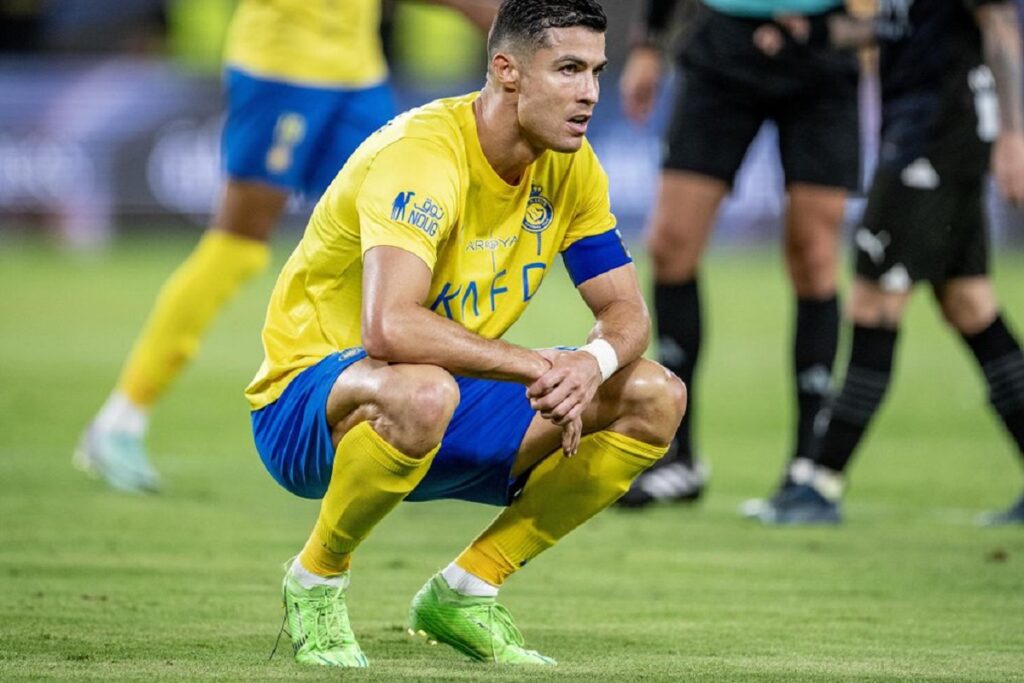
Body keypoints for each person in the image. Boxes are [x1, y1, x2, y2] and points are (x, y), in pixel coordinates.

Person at [245, 0, 686, 667]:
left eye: (596, 70)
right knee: (421, 392)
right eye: (568, 69)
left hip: (445, 394)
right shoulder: (422, 156)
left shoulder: (570, 165)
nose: (590, 93)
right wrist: (538, 365)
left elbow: (627, 314)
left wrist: (590, 365)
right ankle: (316, 579)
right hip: (309, 402)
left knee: (655, 394)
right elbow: (388, 326)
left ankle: (467, 589)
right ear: (507, 71)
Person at [74, 0, 497, 492]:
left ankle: (417, 425)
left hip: (358, 73)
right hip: (282, 68)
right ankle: (120, 419)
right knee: (237, 246)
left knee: (409, 237)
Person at [758, 0, 1024, 525]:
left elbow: (999, 25)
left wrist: (1014, 136)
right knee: (970, 304)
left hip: (935, 137)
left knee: (874, 302)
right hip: (932, 132)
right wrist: (816, 30)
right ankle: (816, 485)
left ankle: (819, 484)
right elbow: (894, 27)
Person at [614, 0, 861, 508]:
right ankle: (679, 454)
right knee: (670, 244)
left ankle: (807, 463)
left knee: (814, 256)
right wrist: (648, 45)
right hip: (722, 42)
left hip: (820, 45)